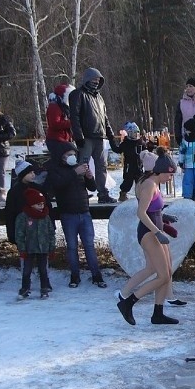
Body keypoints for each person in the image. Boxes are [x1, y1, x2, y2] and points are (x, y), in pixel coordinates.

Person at [116, 150, 180, 326]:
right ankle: (127, 303)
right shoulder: (149, 185)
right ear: (159, 170)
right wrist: (158, 232)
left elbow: (153, 210)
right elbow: (141, 213)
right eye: (169, 173)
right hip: (149, 233)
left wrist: (164, 218)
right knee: (162, 276)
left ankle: (158, 313)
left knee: (165, 272)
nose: (171, 177)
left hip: (155, 231)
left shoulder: (154, 183)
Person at [46, 145, 106, 288]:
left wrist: (89, 178)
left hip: (84, 212)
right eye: (69, 154)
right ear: (62, 157)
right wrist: (74, 173)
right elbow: (57, 185)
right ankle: (74, 276)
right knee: (72, 247)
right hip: (68, 214)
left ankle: (96, 275)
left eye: (74, 154)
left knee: (89, 246)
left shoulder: (80, 168)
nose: (72, 157)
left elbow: (92, 188)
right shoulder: (56, 170)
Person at [68, 67, 118, 203]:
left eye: (98, 80)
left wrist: (111, 137)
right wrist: (78, 136)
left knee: (102, 166)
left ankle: (103, 193)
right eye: (94, 79)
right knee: (82, 166)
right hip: (86, 137)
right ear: (87, 79)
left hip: (99, 137)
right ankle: (79, 192)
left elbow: (105, 118)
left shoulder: (99, 97)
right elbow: (75, 116)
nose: (96, 82)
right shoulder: (77, 94)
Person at [14, 188, 55, 300]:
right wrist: (22, 249)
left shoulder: (45, 217)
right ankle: (25, 289)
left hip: (43, 248)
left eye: (42, 204)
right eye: (38, 204)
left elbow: (51, 232)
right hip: (29, 249)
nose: (41, 206)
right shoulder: (23, 217)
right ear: (31, 204)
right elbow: (19, 233)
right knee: (27, 270)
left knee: (43, 270)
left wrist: (51, 247)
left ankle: (44, 288)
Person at [113, 121, 145, 202]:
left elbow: (146, 151)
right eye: (133, 133)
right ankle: (123, 193)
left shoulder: (140, 142)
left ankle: (142, 195)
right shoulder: (126, 143)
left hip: (139, 166)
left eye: (136, 133)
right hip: (129, 166)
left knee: (140, 181)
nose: (135, 135)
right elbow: (118, 150)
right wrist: (111, 141)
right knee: (128, 181)